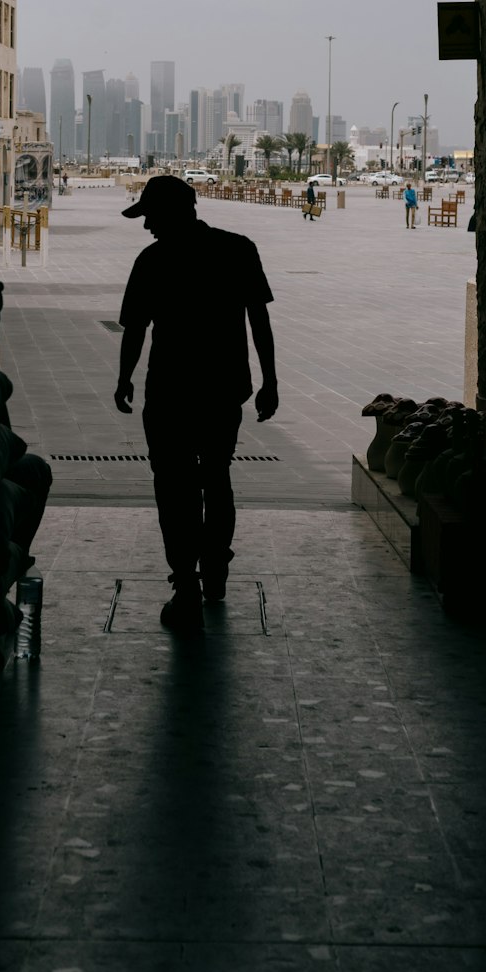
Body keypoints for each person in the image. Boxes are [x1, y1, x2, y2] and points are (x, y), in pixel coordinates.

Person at [114, 175, 279, 632]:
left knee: (174, 486)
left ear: (169, 214)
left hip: (170, 392)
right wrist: (270, 380)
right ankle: (216, 571)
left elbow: (135, 329)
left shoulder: (152, 261)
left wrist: (124, 378)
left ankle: (186, 583)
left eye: (150, 217)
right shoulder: (238, 249)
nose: (146, 227)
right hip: (224, 388)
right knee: (216, 477)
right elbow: (258, 319)